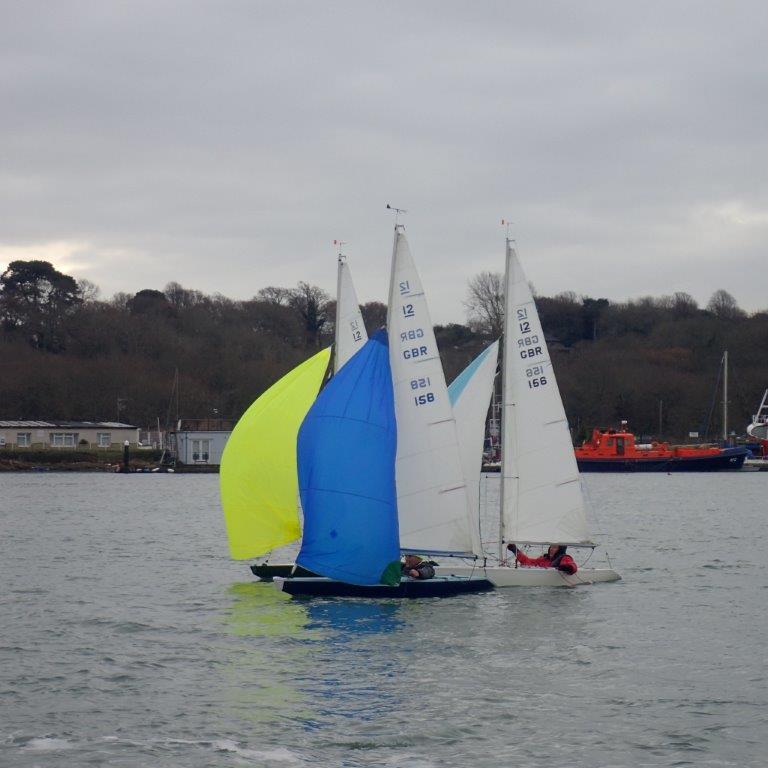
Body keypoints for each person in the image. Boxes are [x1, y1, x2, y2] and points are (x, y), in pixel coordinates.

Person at [506, 543, 578, 575]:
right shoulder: (543, 559)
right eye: (551, 547)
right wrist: (515, 551)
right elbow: (527, 562)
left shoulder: (564, 557)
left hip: (558, 587)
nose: (552, 549)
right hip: (544, 584)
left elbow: (573, 566)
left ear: (560, 550)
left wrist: (568, 568)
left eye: (555, 547)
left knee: (556, 563)